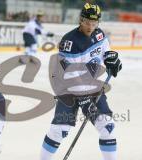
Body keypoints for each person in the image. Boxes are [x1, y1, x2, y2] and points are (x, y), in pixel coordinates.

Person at [40, 3, 122, 160]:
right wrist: (84, 100)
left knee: (108, 127)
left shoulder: (99, 34)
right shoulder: (69, 42)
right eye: (87, 23)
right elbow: (70, 74)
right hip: (68, 90)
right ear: (81, 20)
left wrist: (112, 59)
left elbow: (106, 51)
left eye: (94, 23)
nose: (90, 26)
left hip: (92, 88)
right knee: (59, 130)